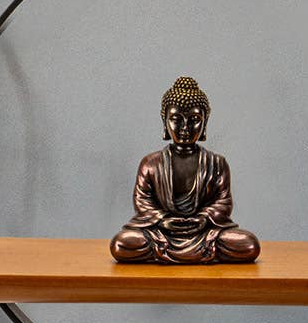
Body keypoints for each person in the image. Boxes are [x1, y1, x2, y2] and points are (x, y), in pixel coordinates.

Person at [110, 77, 260, 264]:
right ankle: (189, 252)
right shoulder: (151, 163)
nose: (185, 128)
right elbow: (142, 201)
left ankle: (178, 252)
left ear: (204, 123)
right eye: (176, 119)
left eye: (194, 120)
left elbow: (223, 202)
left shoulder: (216, 163)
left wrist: (203, 219)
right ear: (165, 121)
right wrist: (162, 219)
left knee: (248, 244)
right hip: (163, 233)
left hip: (204, 233)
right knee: (121, 243)